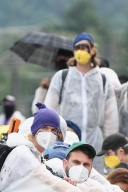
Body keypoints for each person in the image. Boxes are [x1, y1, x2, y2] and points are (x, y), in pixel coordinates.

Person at [45, 33, 118, 171]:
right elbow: (49, 110)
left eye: (84, 47)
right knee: (67, 176)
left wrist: (110, 145)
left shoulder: (102, 80)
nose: (80, 51)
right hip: (67, 140)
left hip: (95, 141)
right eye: (77, 47)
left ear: (93, 50)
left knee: (95, 178)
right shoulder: (62, 77)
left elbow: (111, 117)